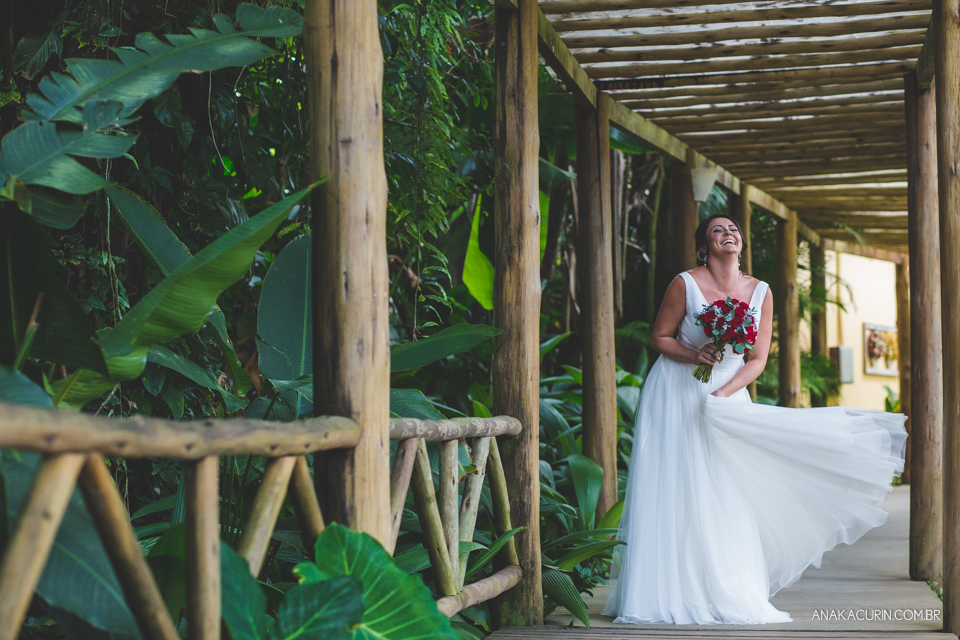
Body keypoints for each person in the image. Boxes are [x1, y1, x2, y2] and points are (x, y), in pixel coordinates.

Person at [602, 213, 907, 625]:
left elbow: (758, 358)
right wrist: (696, 355)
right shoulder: (685, 283)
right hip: (675, 390)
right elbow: (659, 337)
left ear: (741, 243)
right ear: (703, 246)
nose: (729, 234)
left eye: (734, 230)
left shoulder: (760, 291)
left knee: (727, 489)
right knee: (677, 483)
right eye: (718, 230)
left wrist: (724, 393)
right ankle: (663, 591)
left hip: (728, 391)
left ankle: (727, 586)